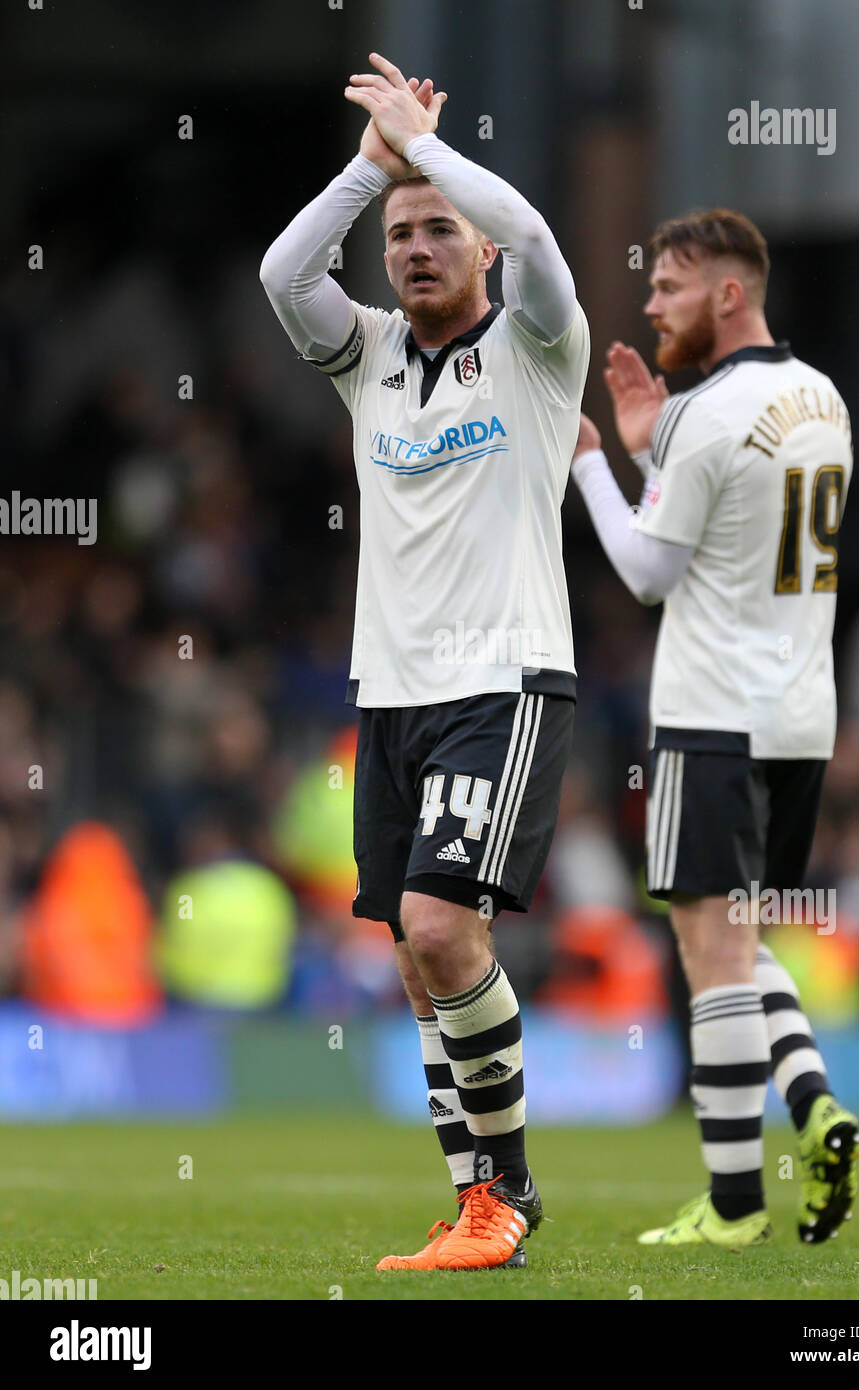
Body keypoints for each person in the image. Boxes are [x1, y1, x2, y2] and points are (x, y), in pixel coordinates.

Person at [260, 54, 588, 1270]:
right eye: (400, 234)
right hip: (390, 689)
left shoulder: (541, 349)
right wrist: (372, 167)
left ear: (481, 248)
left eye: (440, 229)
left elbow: (541, 231)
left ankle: (506, 1196)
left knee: (445, 930)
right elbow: (284, 272)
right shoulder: (371, 359)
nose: (415, 246)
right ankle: (470, 1201)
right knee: (411, 951)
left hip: (502, 676)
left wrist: (431, 153)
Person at [570, 208, 859, 1247]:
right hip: (799, 717)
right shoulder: (819, 395)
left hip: (710, 713)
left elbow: (651, 572)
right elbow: (731, 529)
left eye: (669, 285)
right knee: (736, 940)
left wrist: (596, 460)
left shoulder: (710, 408)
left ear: (728, 294)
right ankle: (814, 1102)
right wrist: (658, 455)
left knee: (709, 952)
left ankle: (735, 1204)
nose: (649, 303)